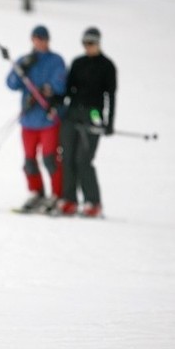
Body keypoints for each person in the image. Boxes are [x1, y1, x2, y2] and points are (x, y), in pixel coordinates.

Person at [6, 25, 66, 213]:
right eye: (36, 38)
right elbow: (11, 83)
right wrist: (22, 67)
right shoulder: (25, 60)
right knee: (29, 161)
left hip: (48, 120)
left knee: (50, 158)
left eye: (43, 38)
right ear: (32, 40)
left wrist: (46, 89)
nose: (40, 42)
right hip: (28, 120)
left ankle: (57, 195)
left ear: (48, 40)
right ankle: (37, 193)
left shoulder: (56, 61)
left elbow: (60, 84)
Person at [57, 27, 117, 217]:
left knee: (83, 159)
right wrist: (54, 100)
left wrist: (109, 122)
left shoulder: (107, 66)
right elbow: (67, 90)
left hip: (93, 113)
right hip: (72, 112)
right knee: (67, 158)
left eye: (91, 43)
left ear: (98, 43)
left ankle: (93, 202)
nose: (87, 47)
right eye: (85, 43)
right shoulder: (78, 63)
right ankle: (69, 200)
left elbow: (111, 96)